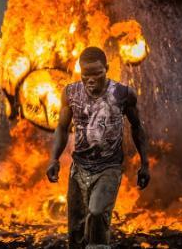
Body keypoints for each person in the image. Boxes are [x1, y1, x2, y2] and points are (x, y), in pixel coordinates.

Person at [46, 46, 150, 249]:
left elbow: (137, 127)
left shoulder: (123, 93)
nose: (91, 79)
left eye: (97, 73)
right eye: (86, 75)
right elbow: (61, 127)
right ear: (80, 72)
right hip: (79, 169)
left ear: (107, 69)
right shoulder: (70, 93)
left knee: (96, 213)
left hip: (109, 167)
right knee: (76, 233)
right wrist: (54, 159)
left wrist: (145, 163)